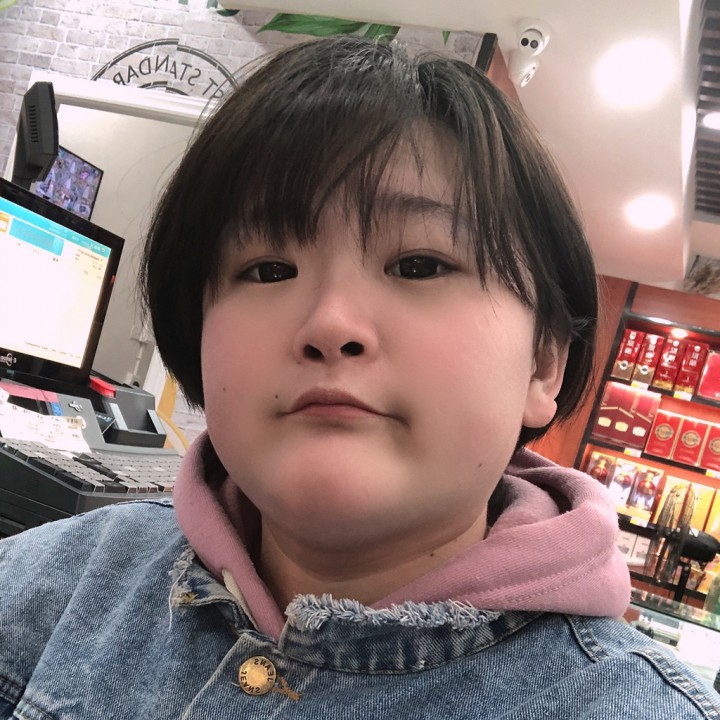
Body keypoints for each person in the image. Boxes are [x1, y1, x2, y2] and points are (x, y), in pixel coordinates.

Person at [1, 36, 718, 719]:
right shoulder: (54, 588)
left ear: (544, 363)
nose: (330, 324)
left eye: (419, 265)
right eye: (268, 270)